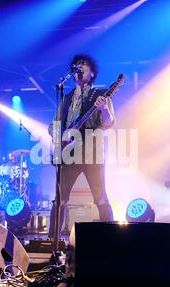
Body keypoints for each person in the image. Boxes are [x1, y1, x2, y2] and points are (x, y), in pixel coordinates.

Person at [48, 54, 115, 237]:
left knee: (101, 199)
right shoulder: (67, 98)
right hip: (69, 155)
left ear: (92, 73)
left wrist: (104, 109)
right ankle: (51, 242)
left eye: (83, 65)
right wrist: (60, 141)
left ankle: (112, 239)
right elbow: (53, 125)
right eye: (77, 65)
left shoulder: (100, 95)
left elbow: (108, 122)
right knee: (60, 200)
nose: (79, 67)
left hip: (93, 153)